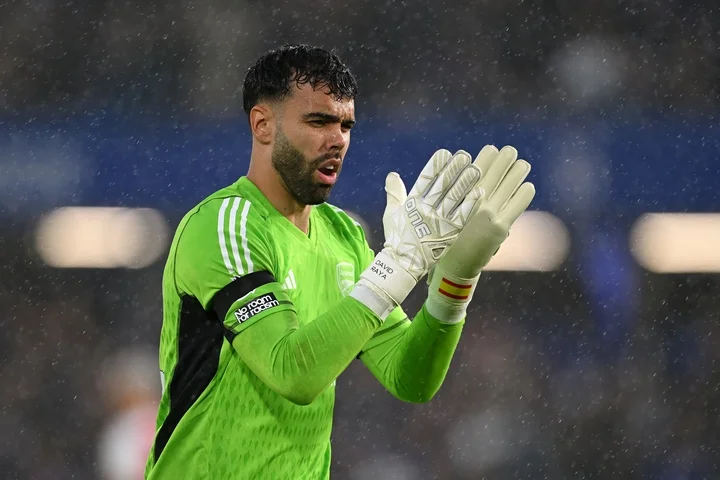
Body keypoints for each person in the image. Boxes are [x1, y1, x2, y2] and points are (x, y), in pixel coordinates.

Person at [144, 44, 535, 479]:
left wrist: (454, 282)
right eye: (319, 121)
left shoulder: (343, 236)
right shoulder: (223, 226)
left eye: (346, 125)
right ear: (262, 125)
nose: (338, 140)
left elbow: (409, 377)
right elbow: (292, 373)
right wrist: (401, 263)